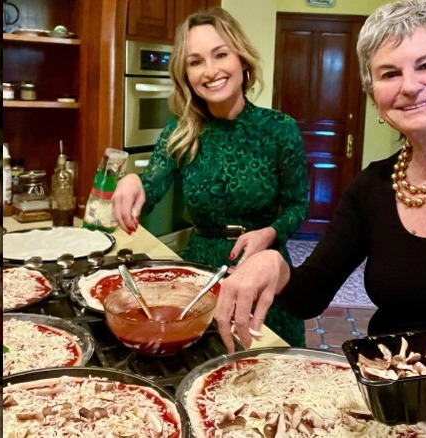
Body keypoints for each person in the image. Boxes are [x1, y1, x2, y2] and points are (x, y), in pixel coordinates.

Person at [214, 0, 426, 433]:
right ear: (375, 98)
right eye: (389, 74)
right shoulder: (372, 187)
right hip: (394, 416)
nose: (409, 86)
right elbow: (310, 296)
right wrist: (273, 263)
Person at [111, 7, 309, 347]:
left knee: (267, 373)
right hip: (200, 276)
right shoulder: (180, 132)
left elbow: (297, 205)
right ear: (185, 74)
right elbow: (150, 188)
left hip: (261, 272)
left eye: (221, 55)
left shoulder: (280, 129)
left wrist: (270, 232)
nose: (211, 71)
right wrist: (131, 180)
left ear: (242, 60)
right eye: (196, 61)